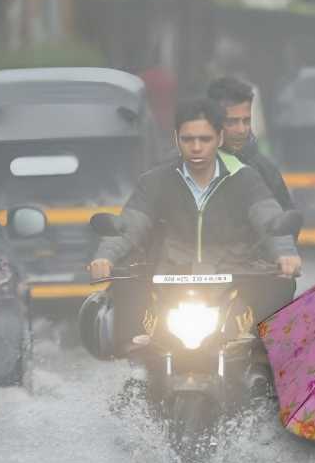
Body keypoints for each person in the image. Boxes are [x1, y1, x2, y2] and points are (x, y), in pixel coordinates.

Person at [88, 99, 302, 353]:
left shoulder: (246, 179)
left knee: (273, 311)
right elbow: (130, 224)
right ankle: (138, 382)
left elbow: (270, 220)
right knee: (133, 333)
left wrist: (285, 254)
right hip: (169, 284)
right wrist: (105, 257)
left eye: (205, 139)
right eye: (188, 139)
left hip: (234, 281)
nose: (197, 147)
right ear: (176, 139)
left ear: (220, 139)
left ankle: (262, 381)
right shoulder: (155, 181)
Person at [207, 76, 294, 211]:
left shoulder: (266, 170)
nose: (241, 129)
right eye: (232, 122)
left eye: (246, 121)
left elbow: (286, 222)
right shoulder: (187, 167)